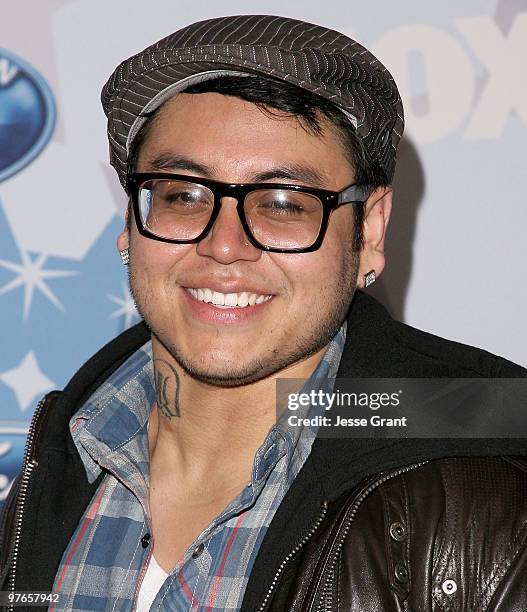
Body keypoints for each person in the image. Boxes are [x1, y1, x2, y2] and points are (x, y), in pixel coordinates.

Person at [1, 14, 526, 611]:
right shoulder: (63, 452)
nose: (225, 245)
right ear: (130, 224)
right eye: (184, 195)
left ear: (370, 231)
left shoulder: (487, 482)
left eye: (283, 204)